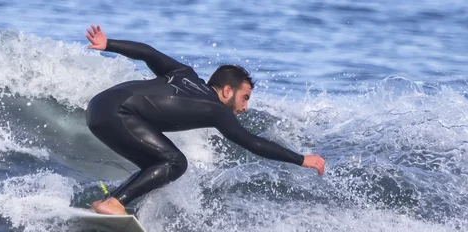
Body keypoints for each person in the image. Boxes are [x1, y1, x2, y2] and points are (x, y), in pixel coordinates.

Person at [84, 24, 326, 215]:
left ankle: (108, 203)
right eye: (245, 98)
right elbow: (253, 143)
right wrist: (301, 159)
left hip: (97, 106)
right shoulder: (216, 110)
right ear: (228, 91)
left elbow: (149, 53)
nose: (245, 107)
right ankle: (115, 202)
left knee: (156, 163)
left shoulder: (184, 74)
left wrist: (108, 44)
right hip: (119, 113)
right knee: (176, 162)